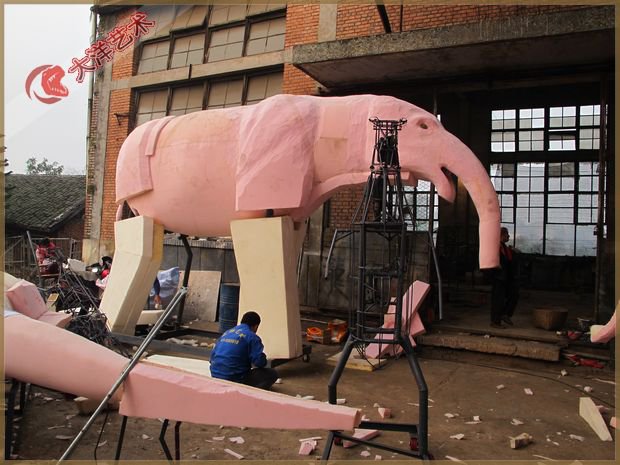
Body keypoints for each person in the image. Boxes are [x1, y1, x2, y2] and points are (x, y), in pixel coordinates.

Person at [210, 311, 278, 390]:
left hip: (215, 375)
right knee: (272, 373)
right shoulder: (252, 337)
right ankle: (250, 392)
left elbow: (211, 358)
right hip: (234, 378)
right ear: (256, 326)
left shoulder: (227, 333)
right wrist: (262, 357)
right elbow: (260, 362)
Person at [490, 227, 519, 328]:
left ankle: (505, 313)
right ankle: (495, 321)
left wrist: (514, 252)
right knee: (498, 300)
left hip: (506, 277)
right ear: (501, 235)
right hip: (498, 277)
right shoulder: (495, 247)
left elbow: (510, 261)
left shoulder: (504, 248)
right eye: (507, 234)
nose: (509, 236)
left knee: (514, 295)